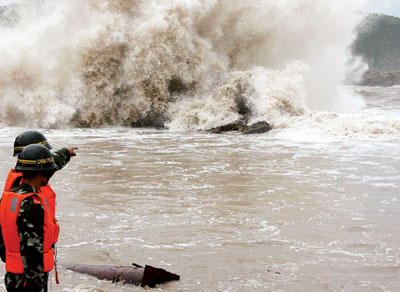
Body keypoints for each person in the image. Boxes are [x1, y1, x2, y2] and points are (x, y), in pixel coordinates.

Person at [0, 144, 59, 291]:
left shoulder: (9, 197)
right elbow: (32, 251)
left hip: (12, 276)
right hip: (28, 280)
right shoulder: (32, 204)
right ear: (42, 174)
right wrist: (36, 283)